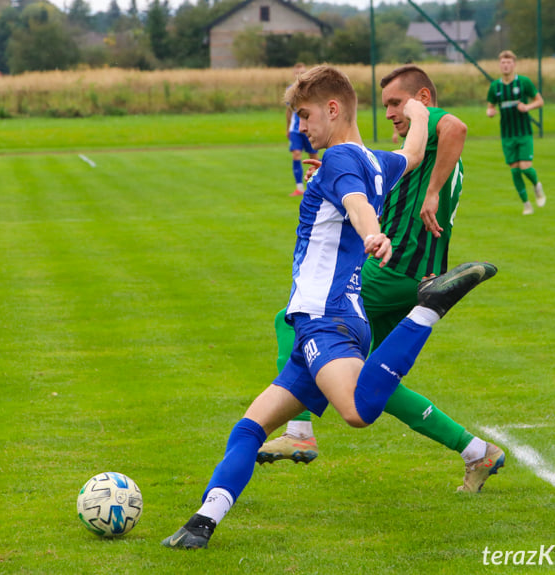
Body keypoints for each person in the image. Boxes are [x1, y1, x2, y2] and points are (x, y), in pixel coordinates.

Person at [162, 64, 498, 550]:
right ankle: (202, 523)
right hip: (315, 326)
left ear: (333, 109)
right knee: (249, 429)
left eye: (304, 115)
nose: (300, 127)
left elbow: (357, 203)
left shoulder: (341, 159)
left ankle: (429, 308)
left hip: (328, 321)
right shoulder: (375, 159)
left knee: (359, 411)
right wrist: (420, 114)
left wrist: (372, 233)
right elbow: (414, 152)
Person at [258, 65, 505, 495]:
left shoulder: (431, 120)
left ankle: (298, 431)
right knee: (373, 379)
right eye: (387, 103)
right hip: (412, 270)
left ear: (421, 99)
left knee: (291, 319)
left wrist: (430, 192)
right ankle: (475, 451)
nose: (390, 111)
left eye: (396, 102)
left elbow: (457, 126)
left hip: (394, 268)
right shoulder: (408, 145)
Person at [486, 50, 545, 215]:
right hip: (507, 134)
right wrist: (490, 112)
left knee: (525, 167)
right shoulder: (495, 87)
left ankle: (536, 185)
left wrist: (527, 107)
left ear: (514, 65)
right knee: (514, 169)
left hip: (524, 132)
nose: (506, 66)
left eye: (509, 62)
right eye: (503, 63)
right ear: (499, 65)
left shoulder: (524, 82)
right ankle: (526, 204)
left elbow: (540, 101)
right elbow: (490, 106)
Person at [286, 62, 319, 196]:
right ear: (294, 74)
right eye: (297, 73)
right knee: (296, 155)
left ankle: (318, 187)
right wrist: (287, 128)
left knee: (314, 157)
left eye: (303, 72)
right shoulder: (290, 91)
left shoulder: (311, 91)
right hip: (295, 130)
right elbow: (288, 111)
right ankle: (299, 188)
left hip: (309, 129)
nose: (299, 75)